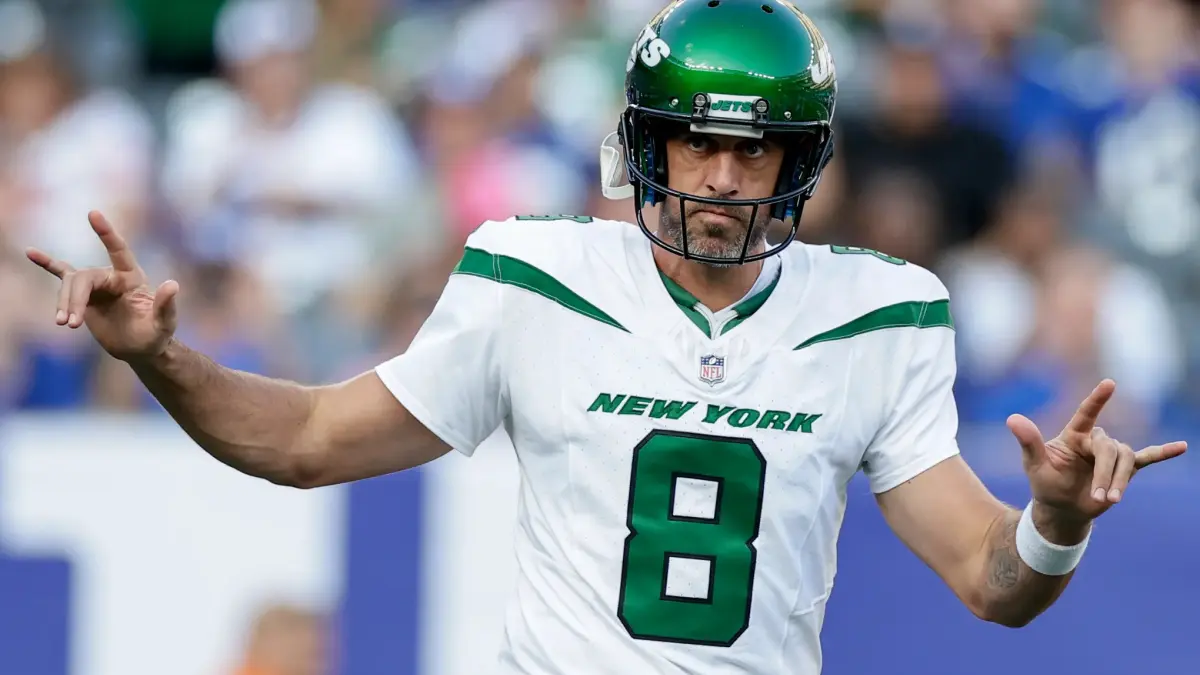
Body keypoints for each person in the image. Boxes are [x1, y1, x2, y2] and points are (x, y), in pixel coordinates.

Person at [24, 1, 1186, 673]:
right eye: (696, 142)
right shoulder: (535, 275)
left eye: (754, 150)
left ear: (800, 161)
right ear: (645, 145)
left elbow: (991, 583)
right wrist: (162, 358)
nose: (722, 177)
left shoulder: (880, 314)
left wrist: (1052, 523)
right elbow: (308, 441)